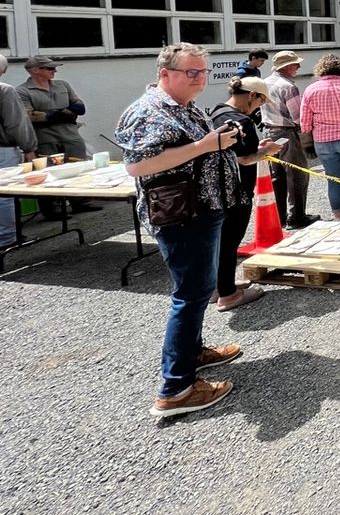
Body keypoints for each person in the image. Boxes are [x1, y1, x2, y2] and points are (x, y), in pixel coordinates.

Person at [115, 43, 245, 418]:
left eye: (204, 72)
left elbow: (197, 150)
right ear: (165, 73)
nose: (201, 79)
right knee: (190, 295)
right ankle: (175, 388)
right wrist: (206, 145)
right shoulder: (148, 110)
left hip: (201, 210)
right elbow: (137, 167)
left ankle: (193, 353)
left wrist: (220, 144)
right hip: (182, 215)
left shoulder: (184, 106)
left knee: (198, 290)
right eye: (192, 72)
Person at [208, 77, 282, 311]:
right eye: (260, 101)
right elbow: (245, 159)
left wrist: (259, 149)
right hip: (237, 190)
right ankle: (228, 295)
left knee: (217, 240)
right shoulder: (243, 121)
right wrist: (267, 151)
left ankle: (217, 286)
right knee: (230, 241)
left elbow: (233, 151)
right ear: (252, 95)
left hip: (213, 188)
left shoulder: (216, 113)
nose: (259, 107)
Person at [18, 56, 100, 215]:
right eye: (49, 68)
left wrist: (48, 115)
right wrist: (65, 112)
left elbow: (80, 106)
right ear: (35, 70)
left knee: (78, 168)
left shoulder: (62, 85)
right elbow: (30, 117)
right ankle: (52, 209)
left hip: (71, 136)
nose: (54, 71)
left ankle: (81, 202)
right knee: (48, 172)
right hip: (45, 139)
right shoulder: (22, 91)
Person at [300, 55, 340, 221]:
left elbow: (305, 120)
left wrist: (307, 140)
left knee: (333, 179)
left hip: (323, 141)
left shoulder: (311, 89)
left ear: (320, 69)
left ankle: (338, 217)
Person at [262, 50, 312, 230]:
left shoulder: (264, 83)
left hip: (268, 132)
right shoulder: (288, 86)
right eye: (295, 64)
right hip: (287, 132)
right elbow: (298, 116)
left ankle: (280, 216)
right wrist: (308, 135)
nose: (298, 67)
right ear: (287, 67)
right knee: (297, 175)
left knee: (277, 177)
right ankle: (297, 216)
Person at [0, 56, 37, 247]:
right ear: (3, 70)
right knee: (6, 194)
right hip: (3, 150)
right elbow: (16, 123)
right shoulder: (4, 90)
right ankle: (7, 239)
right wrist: (29, 147)